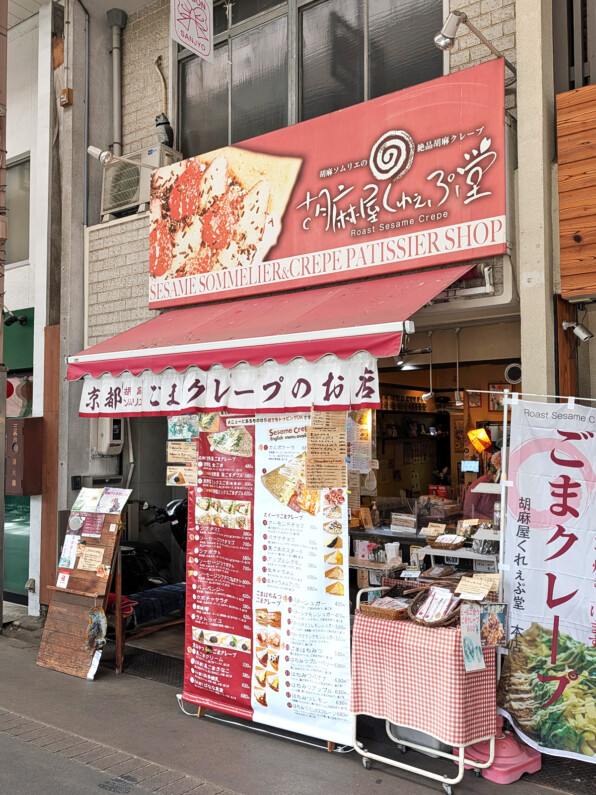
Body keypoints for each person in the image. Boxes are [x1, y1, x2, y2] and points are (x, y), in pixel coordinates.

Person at [463, 450, 501, 520]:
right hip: (481, 524)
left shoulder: (506, 484)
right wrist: (490, 520)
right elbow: (468, 511)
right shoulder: (481, 483)